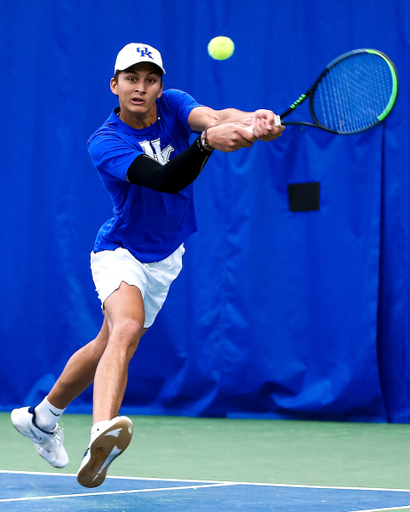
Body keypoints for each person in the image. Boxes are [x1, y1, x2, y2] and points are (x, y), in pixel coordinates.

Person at [11, 43, 285, 488]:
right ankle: (102, 431)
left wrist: (255, 120)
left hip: (166, 256)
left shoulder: (173, 105)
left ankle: (42, 419)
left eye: (150, 79)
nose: (141, 88)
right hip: (120, 250)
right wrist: (205, 145)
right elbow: (164, 178)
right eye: (131, 79)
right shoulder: (105, 141)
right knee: (126, 327)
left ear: (160, 85)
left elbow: (215, 117)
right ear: (114, 85)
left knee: (108, 343)